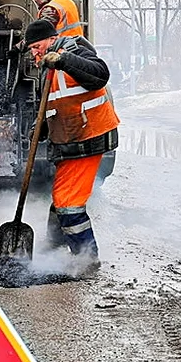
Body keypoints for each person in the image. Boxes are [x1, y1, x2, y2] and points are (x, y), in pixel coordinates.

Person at [23, 16, 119, 270]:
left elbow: (100, 75)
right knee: (60, 197)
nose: (34, 53)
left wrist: (64, 59)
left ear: (52, 39)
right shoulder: (47, 68)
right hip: (70, 140)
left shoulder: (73, 47)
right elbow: (55, 105)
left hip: (88, 136)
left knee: (68, 203)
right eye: (31, 49)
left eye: (36, 46)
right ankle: (54, 246)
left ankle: (87, 258)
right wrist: (39, 129)